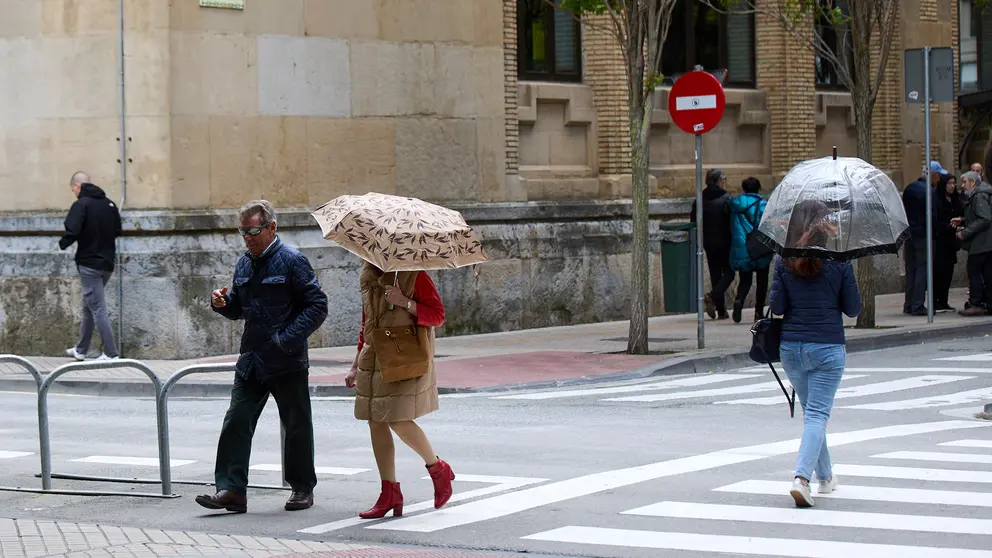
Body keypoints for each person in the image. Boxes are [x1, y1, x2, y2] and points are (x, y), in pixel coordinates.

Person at [197, 200, 328, 514]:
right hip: (252, 359)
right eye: (243, 231)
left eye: (254, 230)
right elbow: (240, 308)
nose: (248, 237)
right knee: (236, 421)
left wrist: (285, 340)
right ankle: (231, 490)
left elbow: (317, 306)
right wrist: (222, 303)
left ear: (272, 227)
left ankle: (301, 488)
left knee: (296, 425)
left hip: (286, 359)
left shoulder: (293, 261)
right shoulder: (244, 264)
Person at [769, 200, 861, 508]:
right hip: (827, 347)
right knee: (818, 415)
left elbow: (778, 308)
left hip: (792, 349)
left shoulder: (782, 261)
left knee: (812, 415)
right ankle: (801, 479)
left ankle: (826, 477)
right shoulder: (839, 262)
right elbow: (853, 309)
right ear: (825, 227)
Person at [345, 263, 454, 519]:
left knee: (396, 419)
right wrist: (354, 365)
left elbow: (437, 315)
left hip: (405, 356)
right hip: (374, 357)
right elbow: (367, 324)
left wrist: (404, 302)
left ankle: (438, 469)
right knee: (375, 421)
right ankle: (389, 493)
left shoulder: (415, 274)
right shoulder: (369, 275)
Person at [59, 172, 122, 361]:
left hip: (89, 264)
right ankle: (81, 349)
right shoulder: (109, 204)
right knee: (89, 306)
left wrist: (63, 243)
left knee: (97, 308)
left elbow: (73, 229)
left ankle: (111, 353)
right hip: (107, 263)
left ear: (77, 187)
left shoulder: (82, 204)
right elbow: (117, 230)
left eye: (73, 190)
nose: (74, 193)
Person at [728, 177, 774, 323]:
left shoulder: (735, 205)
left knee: (745, 279)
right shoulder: (763, 205)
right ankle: (758, 312)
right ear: (758, 188)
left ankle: (739, 300)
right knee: (762, 281)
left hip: (743, 247)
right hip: (759, 246)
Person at [690, 168, 734, 320]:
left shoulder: (700, 199)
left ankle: (721, 310)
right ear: (717, 181)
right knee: (729, 272)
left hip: (708, 243)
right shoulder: (727, 199)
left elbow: (693, 221)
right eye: (722, 180)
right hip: (725, 242)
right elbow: (733, 221)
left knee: (716, 274)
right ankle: (712, 296)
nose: (724, 183)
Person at [902, 161, 944, 316]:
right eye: (938, 176)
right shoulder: (930, 192)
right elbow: (931, 216)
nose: (939, 180)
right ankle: (918, 304)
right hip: (923, 235)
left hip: (909, 234)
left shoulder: (909, 189)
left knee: (911, 269)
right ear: (933, 175)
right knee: (922, 269)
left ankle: (909, 303)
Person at [955, 171, 992, 316]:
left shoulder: (979, 195)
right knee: (987, 273)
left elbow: (985, 218)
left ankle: (976, 303)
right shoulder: (983, 193)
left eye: (964, 182)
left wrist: (965, 232)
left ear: (973, 183)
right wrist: (964, 220)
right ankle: (988, 303)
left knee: (974, 271)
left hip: (982, 242)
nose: (962, 186)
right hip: (986, 242)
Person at [933, 173, 963, 311]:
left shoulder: (956, 199)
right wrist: (946, 225)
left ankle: (943, 300)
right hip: (940, 241)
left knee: (948, 272)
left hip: (951, 242)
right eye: (949, 183)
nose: (952, 186)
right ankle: (936, 300)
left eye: (953, 183)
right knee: (938, 272)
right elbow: (935, 220)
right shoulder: (937, 199)